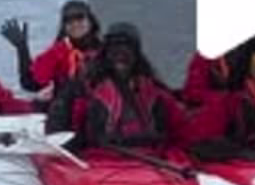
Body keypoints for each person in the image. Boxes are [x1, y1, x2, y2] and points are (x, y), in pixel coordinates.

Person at [48, 22, 187, 150]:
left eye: (126, 49)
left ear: (135, 54)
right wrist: (70, 144)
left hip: (149, 156)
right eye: (115, 49)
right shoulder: (85, 86)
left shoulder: (153, 89)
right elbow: (59, 120)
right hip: (99, 157)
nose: (120, 56)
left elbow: (179, 123)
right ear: (106, 53)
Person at [0, 0, 102, 94]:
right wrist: (22, 48)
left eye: (80, 18)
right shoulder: (58, 52)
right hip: (68, 104)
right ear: (64, 26)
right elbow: (31, 84)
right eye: (69, 21)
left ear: (90, 21)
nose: (75, 24)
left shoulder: (104, 50)